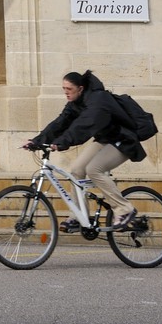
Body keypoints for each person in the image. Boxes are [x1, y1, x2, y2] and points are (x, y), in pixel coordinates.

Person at [22, 69, 145, 231]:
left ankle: (124, 209)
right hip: (105, 139)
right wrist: (37, 141)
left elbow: (85, 124)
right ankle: (79, 216)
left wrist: (61, 142)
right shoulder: (75, 103)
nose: (66, 93)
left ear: (80, 88)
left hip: (123, 140)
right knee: (76, 170)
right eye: (64, 90)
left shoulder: (99, 99)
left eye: (69, 90)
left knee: (94, 169)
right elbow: (60, 123)